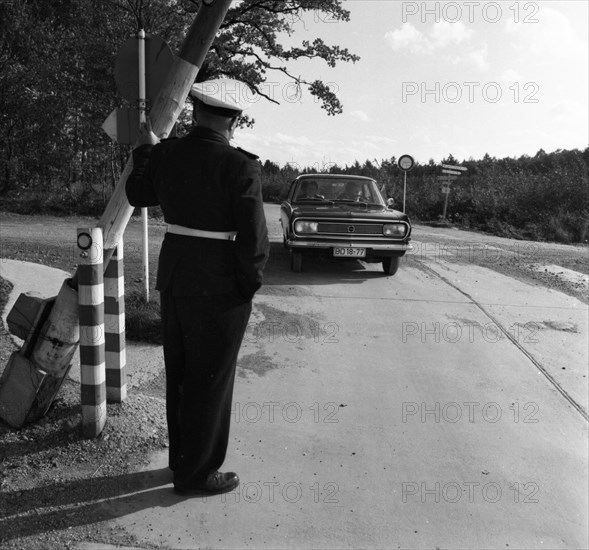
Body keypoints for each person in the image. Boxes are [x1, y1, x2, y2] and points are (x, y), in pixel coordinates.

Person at [126, 78, 269, 496]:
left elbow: (137, 194)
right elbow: (255, 241)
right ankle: (197, 474)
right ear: (234, 120)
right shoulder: (241, 165)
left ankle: (180, 463)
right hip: (221, 289)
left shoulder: (167, 153)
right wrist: (246, 288)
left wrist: (146, 149)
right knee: (211, 382)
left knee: (182, 377)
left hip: (174, 280)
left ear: (196, 112)